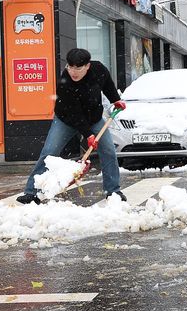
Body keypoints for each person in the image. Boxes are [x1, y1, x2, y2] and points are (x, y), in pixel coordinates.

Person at [16, 48, 126, 204]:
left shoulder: (98, 69)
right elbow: (74, 113)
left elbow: (107, 84)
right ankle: (31, 192)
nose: (73, 72)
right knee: (49, 152)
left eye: (78, 68)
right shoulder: (65, 82)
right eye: (70, 67)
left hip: (94, 118)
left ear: (87, 66)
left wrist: (115, 100)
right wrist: (89, 135)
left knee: (108, 150)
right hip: (66, 120)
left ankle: (113, 190)